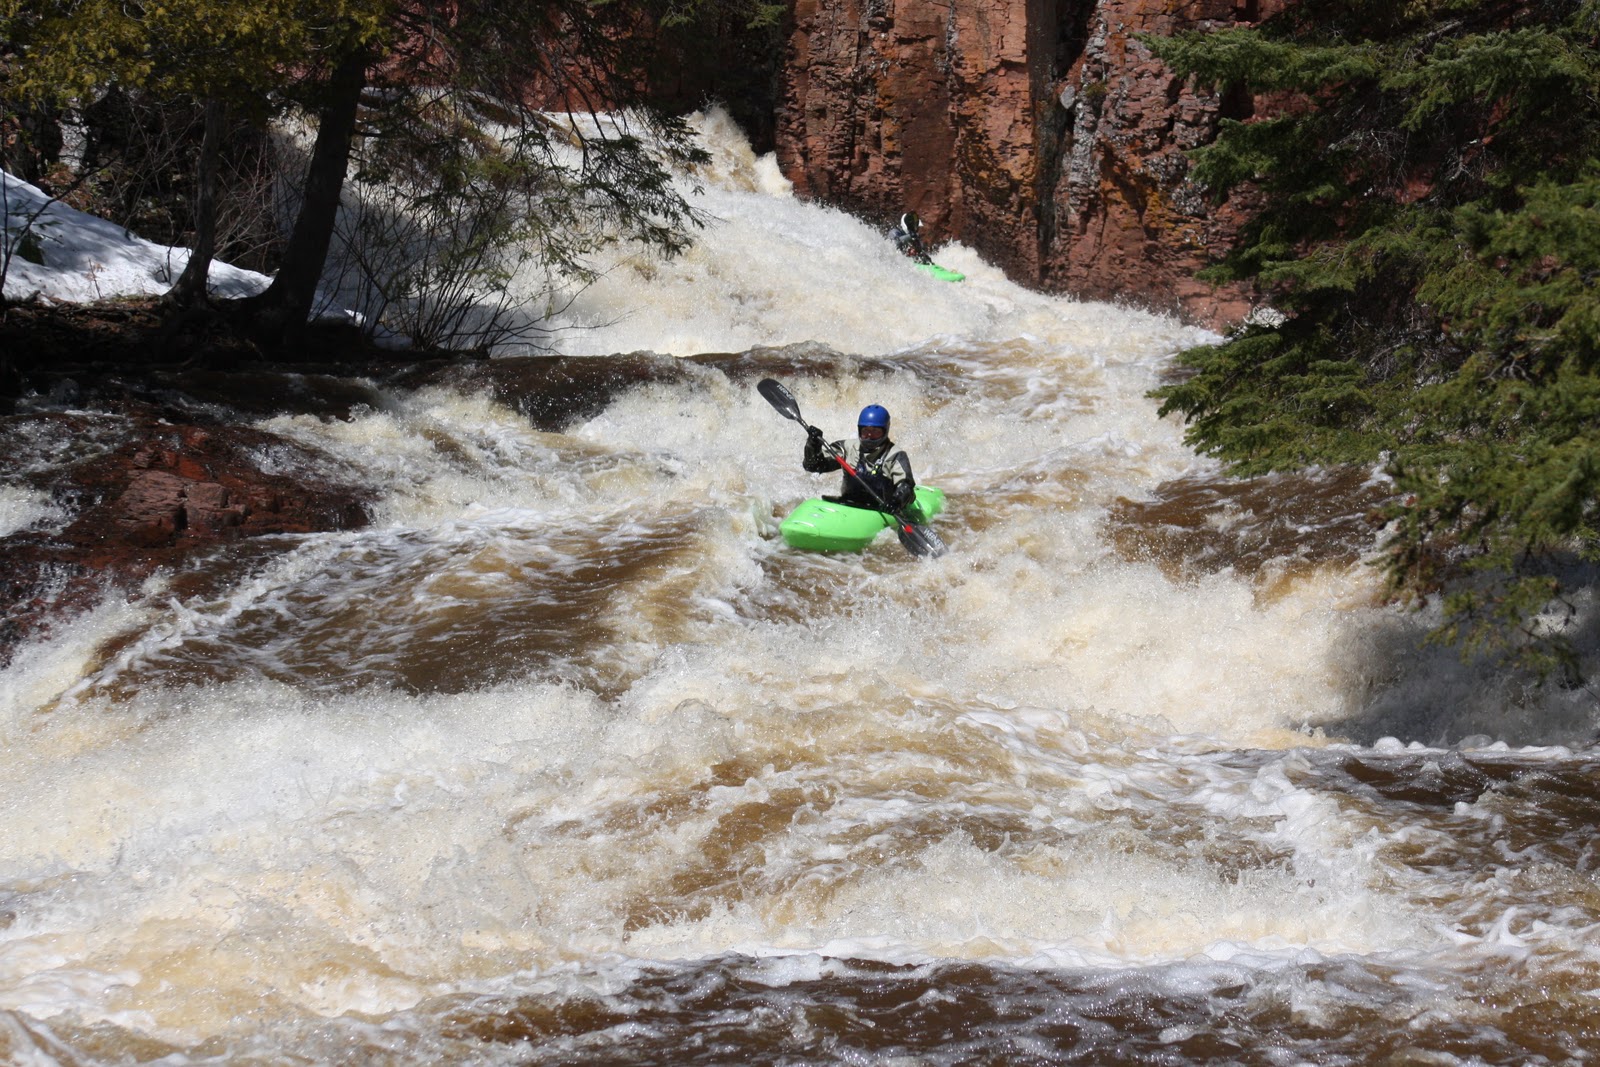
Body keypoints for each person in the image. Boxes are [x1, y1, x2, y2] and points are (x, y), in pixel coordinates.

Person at [804, 403, 917, 512]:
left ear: (885, 431)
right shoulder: (847, 448)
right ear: (859, 430)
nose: (869, 436)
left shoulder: (894, 455)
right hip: (849, 505)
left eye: (875, 432)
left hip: (881, 510)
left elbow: (906, 486)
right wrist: (813, 445)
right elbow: (814, 466)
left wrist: (896, 502)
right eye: (865, 431)